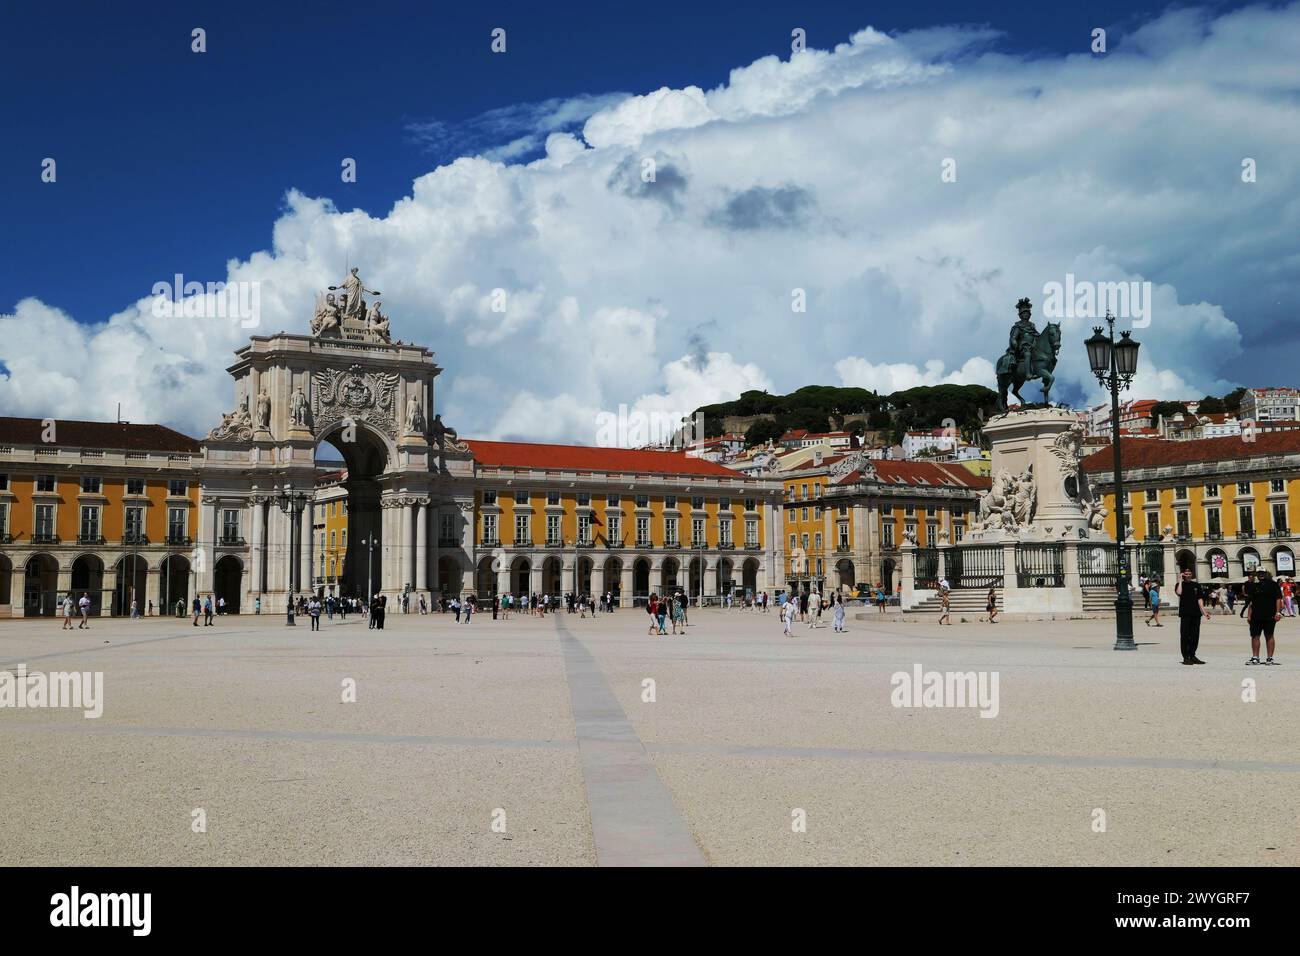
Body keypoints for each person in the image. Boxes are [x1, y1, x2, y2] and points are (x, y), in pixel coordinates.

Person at [1246, 568, 1282, 665]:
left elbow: (1278, 599)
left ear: (1266, 573)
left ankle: (1269, 658)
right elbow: (1251, 602)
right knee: (1255, 636)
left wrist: (1278, 613)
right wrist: (1249, 614)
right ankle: (1255, 657)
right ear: (1256, 574)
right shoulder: (1253, 586)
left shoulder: (1273, 585)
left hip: (1270, 614)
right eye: (1259, 573)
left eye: (1262, 573)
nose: (1261, 574)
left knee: (1269, 635)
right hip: (1256, 615)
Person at [1175, 568, 1210, 665]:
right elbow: (1179, 593)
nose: (1188, 575)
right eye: (1186, 574)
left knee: (1195, 636)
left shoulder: (1196, 585)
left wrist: (1204, 612)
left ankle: (1192, 655)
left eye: (1189, 573)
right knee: (1185, 636)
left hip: (1196, 614)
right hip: (1185, 614)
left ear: (1192, 574)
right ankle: (1186, 657)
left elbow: (1200, 599)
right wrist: (1180, 580)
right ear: (1183, 575)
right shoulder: (1179, 585)